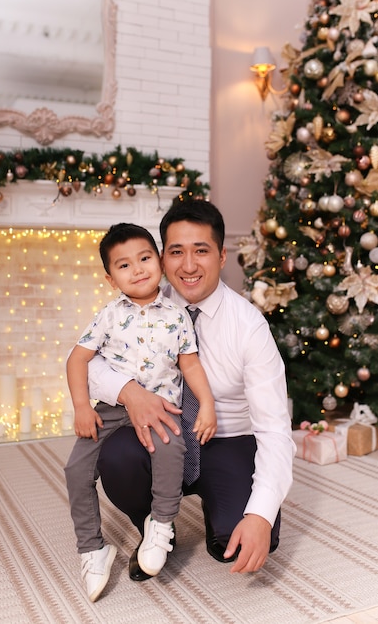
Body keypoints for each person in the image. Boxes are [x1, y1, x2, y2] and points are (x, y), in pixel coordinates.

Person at [88, 199, 296, 581]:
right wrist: (129, 392)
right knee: (115, 454)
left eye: (201, 251)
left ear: (221, 256)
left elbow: (275, 430)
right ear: (162, 258)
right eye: (176, 252)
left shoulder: (249, 326)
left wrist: (261, 515)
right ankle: (152, 527)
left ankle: (221, 508)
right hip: (160, 431)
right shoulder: (137, 304)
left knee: (238, 539)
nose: (188, 265)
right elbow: (91, 363)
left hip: (227, 439)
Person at [65, 222, 216, 602]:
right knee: (75, 470)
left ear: (160, 262)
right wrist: (82, 407)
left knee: (170, 452)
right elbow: (77, 359)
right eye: (124, 265)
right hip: (112, 410)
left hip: (163, 409)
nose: (138, 269)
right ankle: (92, 548)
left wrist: (207, 403)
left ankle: (162, 525)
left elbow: (191, 366)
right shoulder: (109, 315)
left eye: (145, 258)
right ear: (110, 277)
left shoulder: (177, 315)